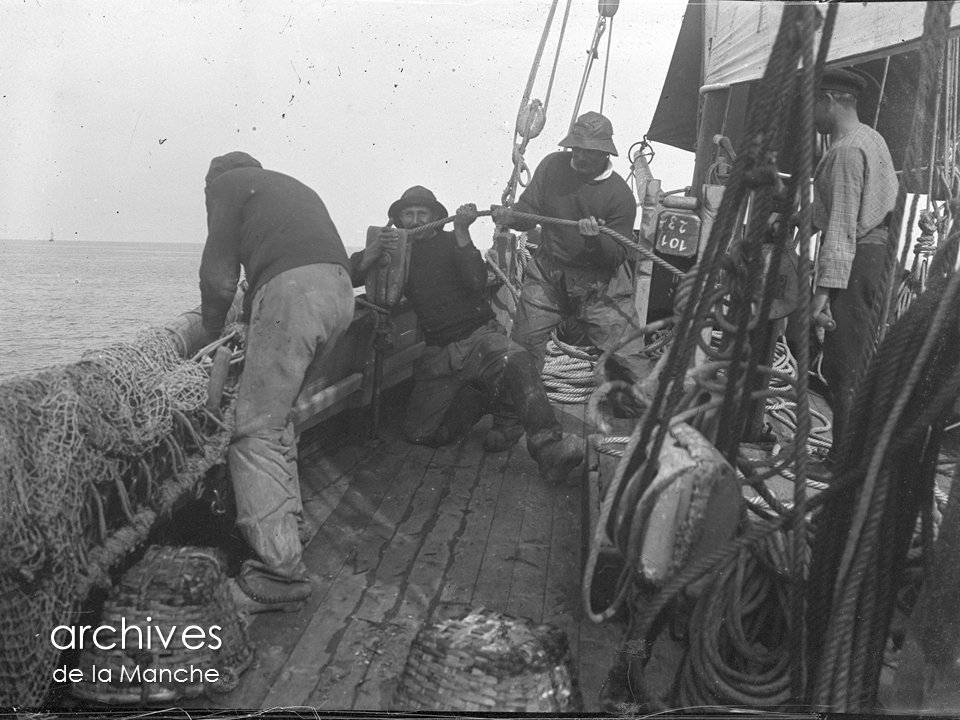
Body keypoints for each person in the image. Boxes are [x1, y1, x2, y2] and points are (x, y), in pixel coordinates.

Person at [199, 151, 355, 612]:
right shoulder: (286, 188)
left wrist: (211, 332)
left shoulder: (226, 186)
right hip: (339, 293)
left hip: (294, 294)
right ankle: (290, 529)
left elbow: (218, 279)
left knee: (253, 431)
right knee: (280, 418)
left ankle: (278, 573)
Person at [352, 185, 584, 483]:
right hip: (439, 352)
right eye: (408, 214)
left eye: (422, 213)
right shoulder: (396, 251)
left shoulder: (453, 240)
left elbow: (476, 280)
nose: (415, 220)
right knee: (419, 434)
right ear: (399, 220)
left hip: (480, 337)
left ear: (436, 217)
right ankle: (479, 400)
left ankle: (548, 448)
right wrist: (371, 253)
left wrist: (462, 231)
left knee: (519, 360)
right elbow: (351, 275)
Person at [490, 111, 641, 448]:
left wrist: (594, 240)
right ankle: (510, 421)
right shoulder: (551, 167)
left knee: (628, 356)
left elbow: (617, 256)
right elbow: (529, 213)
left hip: (600, 284)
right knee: (522, 348)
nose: (581, 156)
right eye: (577, 147)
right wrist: (511, 216)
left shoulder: (620, 196)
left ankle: (637, 420)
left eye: (590, 151)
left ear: (605, 153)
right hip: (549, 274)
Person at [808, 68, 898, 461]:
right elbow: (861, 208)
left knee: (843, 366)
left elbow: (843, 226)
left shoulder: (845, 152)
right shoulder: (871, 139)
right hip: (877, 260)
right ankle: (855, 455)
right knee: (859, 360)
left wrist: (822, 294)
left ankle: (844, 463)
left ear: (828, 100)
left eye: (813, 105)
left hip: (857, 263)